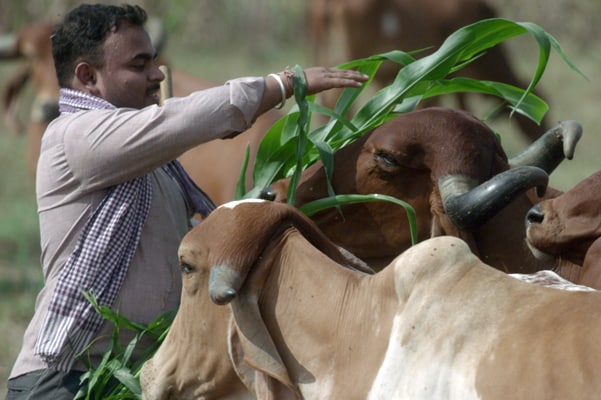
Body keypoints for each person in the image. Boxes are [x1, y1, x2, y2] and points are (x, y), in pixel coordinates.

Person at [5, 3, 368, 399]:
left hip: (136, 375)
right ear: (87, 76)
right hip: (64, 380)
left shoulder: (158, 168)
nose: (157, 75)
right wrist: (280, 85)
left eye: (154, 62)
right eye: (139, 65)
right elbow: (176, 120)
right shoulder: (72, 138)